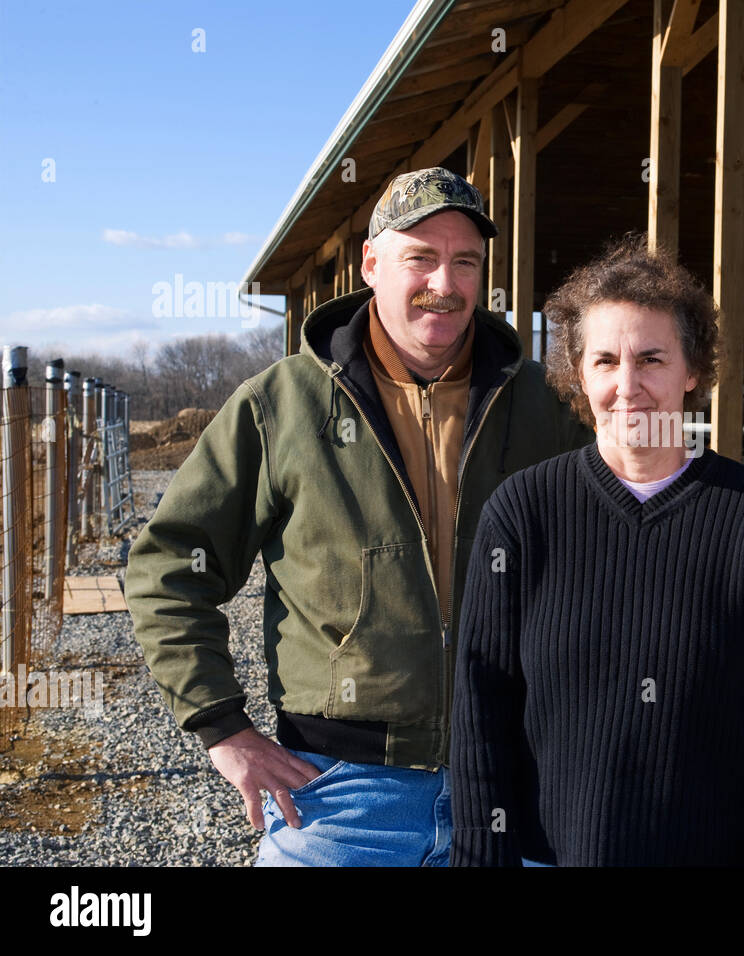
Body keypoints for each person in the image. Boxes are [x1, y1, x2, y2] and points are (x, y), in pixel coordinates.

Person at [125, 167, 592, 866]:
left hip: (516, 783)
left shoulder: (544, 405)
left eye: (465, 261)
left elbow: (620, 554)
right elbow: (169, 566)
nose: (446, 281)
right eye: (421, 258)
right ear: (371, 265)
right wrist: (223, 728)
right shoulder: (281, 404)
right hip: (341, 796)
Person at [449, 236, 744, 866]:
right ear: (577, 375)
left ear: (693, 371)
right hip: (548, 857)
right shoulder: (522, 515)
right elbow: (481, 705)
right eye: (604, 361)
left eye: (651, 358)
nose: (627, 386)